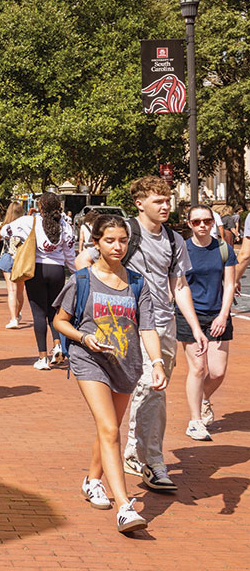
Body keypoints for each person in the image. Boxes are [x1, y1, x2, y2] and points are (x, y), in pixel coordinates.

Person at [75, 176, 206, 493]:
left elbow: (179, 285)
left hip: (164, 324)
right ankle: (153, 462)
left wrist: (196, 326)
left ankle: (134, 454)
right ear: (140, 203)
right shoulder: (125, 234)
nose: (166, 206)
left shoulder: (174, 240)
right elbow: (84, 262)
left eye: (167, 199)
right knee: (152, 388)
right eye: (158, 201)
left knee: (154, 391)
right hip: (129, 327)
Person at [51, 214, 166, 533]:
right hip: (89, 359)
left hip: (126, 363)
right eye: (110, 240)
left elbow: (147, 326)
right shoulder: (82, 280)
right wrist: (83, 338)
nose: (118, 247)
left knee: (110, 428)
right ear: (97, 243)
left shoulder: (137, 282)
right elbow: (60, 321)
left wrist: (157, 363)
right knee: (109, 428)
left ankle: (92, 480)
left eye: (123, 241)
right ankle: (125, 507)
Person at [179, 204, 236, 441]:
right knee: (198, 368)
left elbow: (230, 283)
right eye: (196, 222)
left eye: (206, 221)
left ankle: (202, 399)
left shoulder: (223, 249)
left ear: (213, 222)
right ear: (189, 224)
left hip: (217, 314)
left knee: (218, 371)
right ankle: (195, 421)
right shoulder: (182, 249)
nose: (202, 225)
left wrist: (223, 315)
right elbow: (177, 285)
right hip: (189, 314)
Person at [3, 193, 77, 370]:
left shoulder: (30, 221)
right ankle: (58, 345)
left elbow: (5, 230)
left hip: (36, 269)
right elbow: (70, 255)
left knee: (38, 313)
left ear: (40, 207)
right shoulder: (65, 225)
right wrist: (79, 274)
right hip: (58, 271)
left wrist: (20, 239)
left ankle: (42, 357)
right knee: (54, 311)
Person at [0, 201, 29, 330]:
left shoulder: (4, 226)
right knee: (20, 290)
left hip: (8, 257)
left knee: (11, 290)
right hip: (22, 259)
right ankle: (16, 314)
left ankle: (14, 318)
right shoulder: (26, 226)